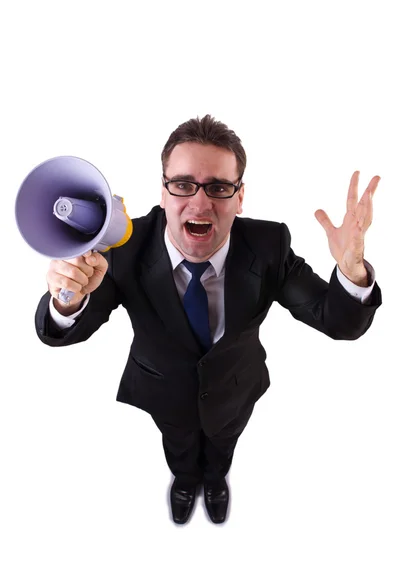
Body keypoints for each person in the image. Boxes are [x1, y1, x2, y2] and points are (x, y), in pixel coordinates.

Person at [35, 114, 382, 526]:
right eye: (182, 184)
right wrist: (67, 297)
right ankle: (184, 481)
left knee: (222, 446)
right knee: (179, 447)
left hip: (236, 388)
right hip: (163, 390)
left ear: (239, 197)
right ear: (163, 193)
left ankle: (216, 481)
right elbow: (63, 330)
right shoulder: (125, 248)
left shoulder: (270, 246)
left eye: (218, 187)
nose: (199, 203)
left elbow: (338, 322)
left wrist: (352, 271)